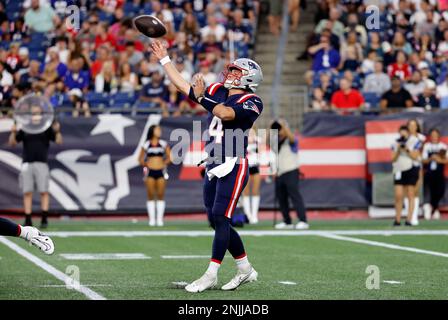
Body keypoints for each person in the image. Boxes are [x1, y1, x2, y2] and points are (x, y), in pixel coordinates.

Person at [150, 40, 263, 293]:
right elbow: (183, 87)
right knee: (215, 219)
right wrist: (164, 60)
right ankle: (245, 269)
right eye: (231, 70)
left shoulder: (252, 100)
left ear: (249, 78)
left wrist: (202, 97)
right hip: (213, 162)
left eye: (237, 72)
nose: (230, 74)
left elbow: (225, 114)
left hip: (234, 163)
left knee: (222, 217)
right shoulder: (217, 91)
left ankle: (211, 273)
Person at [8, 115, 63, 228]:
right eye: (33, 113)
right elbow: (12, 143)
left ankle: (44, 219)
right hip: (27, 163)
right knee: (27, 191)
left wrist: (57, 131)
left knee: (44, 191)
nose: (36, 116)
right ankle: (28, 219)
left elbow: (58, 141)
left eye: (38, 113)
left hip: (42, 163)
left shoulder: (46, 128)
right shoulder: (25, 128)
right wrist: (13, 132)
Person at [271, 119, 308, 230]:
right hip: (280, 172)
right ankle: (287, 221)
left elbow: (292, 138)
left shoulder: (291, 139)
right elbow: (268, 141)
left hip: (291, 170)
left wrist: (283, 125)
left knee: (295, 196)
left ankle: (303, 220)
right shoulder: (276, 140)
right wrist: (273, 127)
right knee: (281, 198)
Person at [138, 125, 171, 227]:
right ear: (152, 131)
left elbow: (170, 157)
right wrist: (147, 164)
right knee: (151, 195)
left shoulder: (163, 143)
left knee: (161, 195)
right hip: (150, 172)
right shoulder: (146, 144)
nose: (159, 131)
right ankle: (152, 220)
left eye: (160, 130)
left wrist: (163, 163)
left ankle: (160, 219)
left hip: (161, 171)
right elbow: (140, 159)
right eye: (157, 130)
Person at [391, 125, 422, 227]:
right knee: (398, 195)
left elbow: (415, 156)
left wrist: (407, 149)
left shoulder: (415, 141)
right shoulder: (396, 142)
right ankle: (398, 219)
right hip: (399, 169)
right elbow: (393, 159)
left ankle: (409, 219)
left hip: (410, 168)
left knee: (410, 194)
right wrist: (399, 149)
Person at [422, 129, 447, 220]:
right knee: (429, 190)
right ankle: (429, 208)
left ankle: (434, 207)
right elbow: (423, 160)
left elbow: (446, 159)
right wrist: (430, 159)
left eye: (436, 135)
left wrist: (438, 159)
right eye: (432, 135)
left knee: (440, 191)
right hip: (429, 172)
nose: (434, 137)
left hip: (439, 173)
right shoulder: (427, 146)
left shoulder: (443, 146)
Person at [406, 119, 425, 226]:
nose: (412, 127)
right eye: (410, 125)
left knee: (416, 191)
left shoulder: (421, 138)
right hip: (406, 166)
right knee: (408, 192)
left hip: (417, 165)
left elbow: (419, 153)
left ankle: (414, 216)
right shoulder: (405, 138)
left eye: (414, 125)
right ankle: (408, 215)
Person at [242, 128, 261, 224]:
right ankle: (248, 215)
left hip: (255, 167)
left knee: (255, 191)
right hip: (246, 167)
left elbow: (260, 152)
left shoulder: (258, 140)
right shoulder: (242, 139)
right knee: (245, 191)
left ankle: (254, 215)